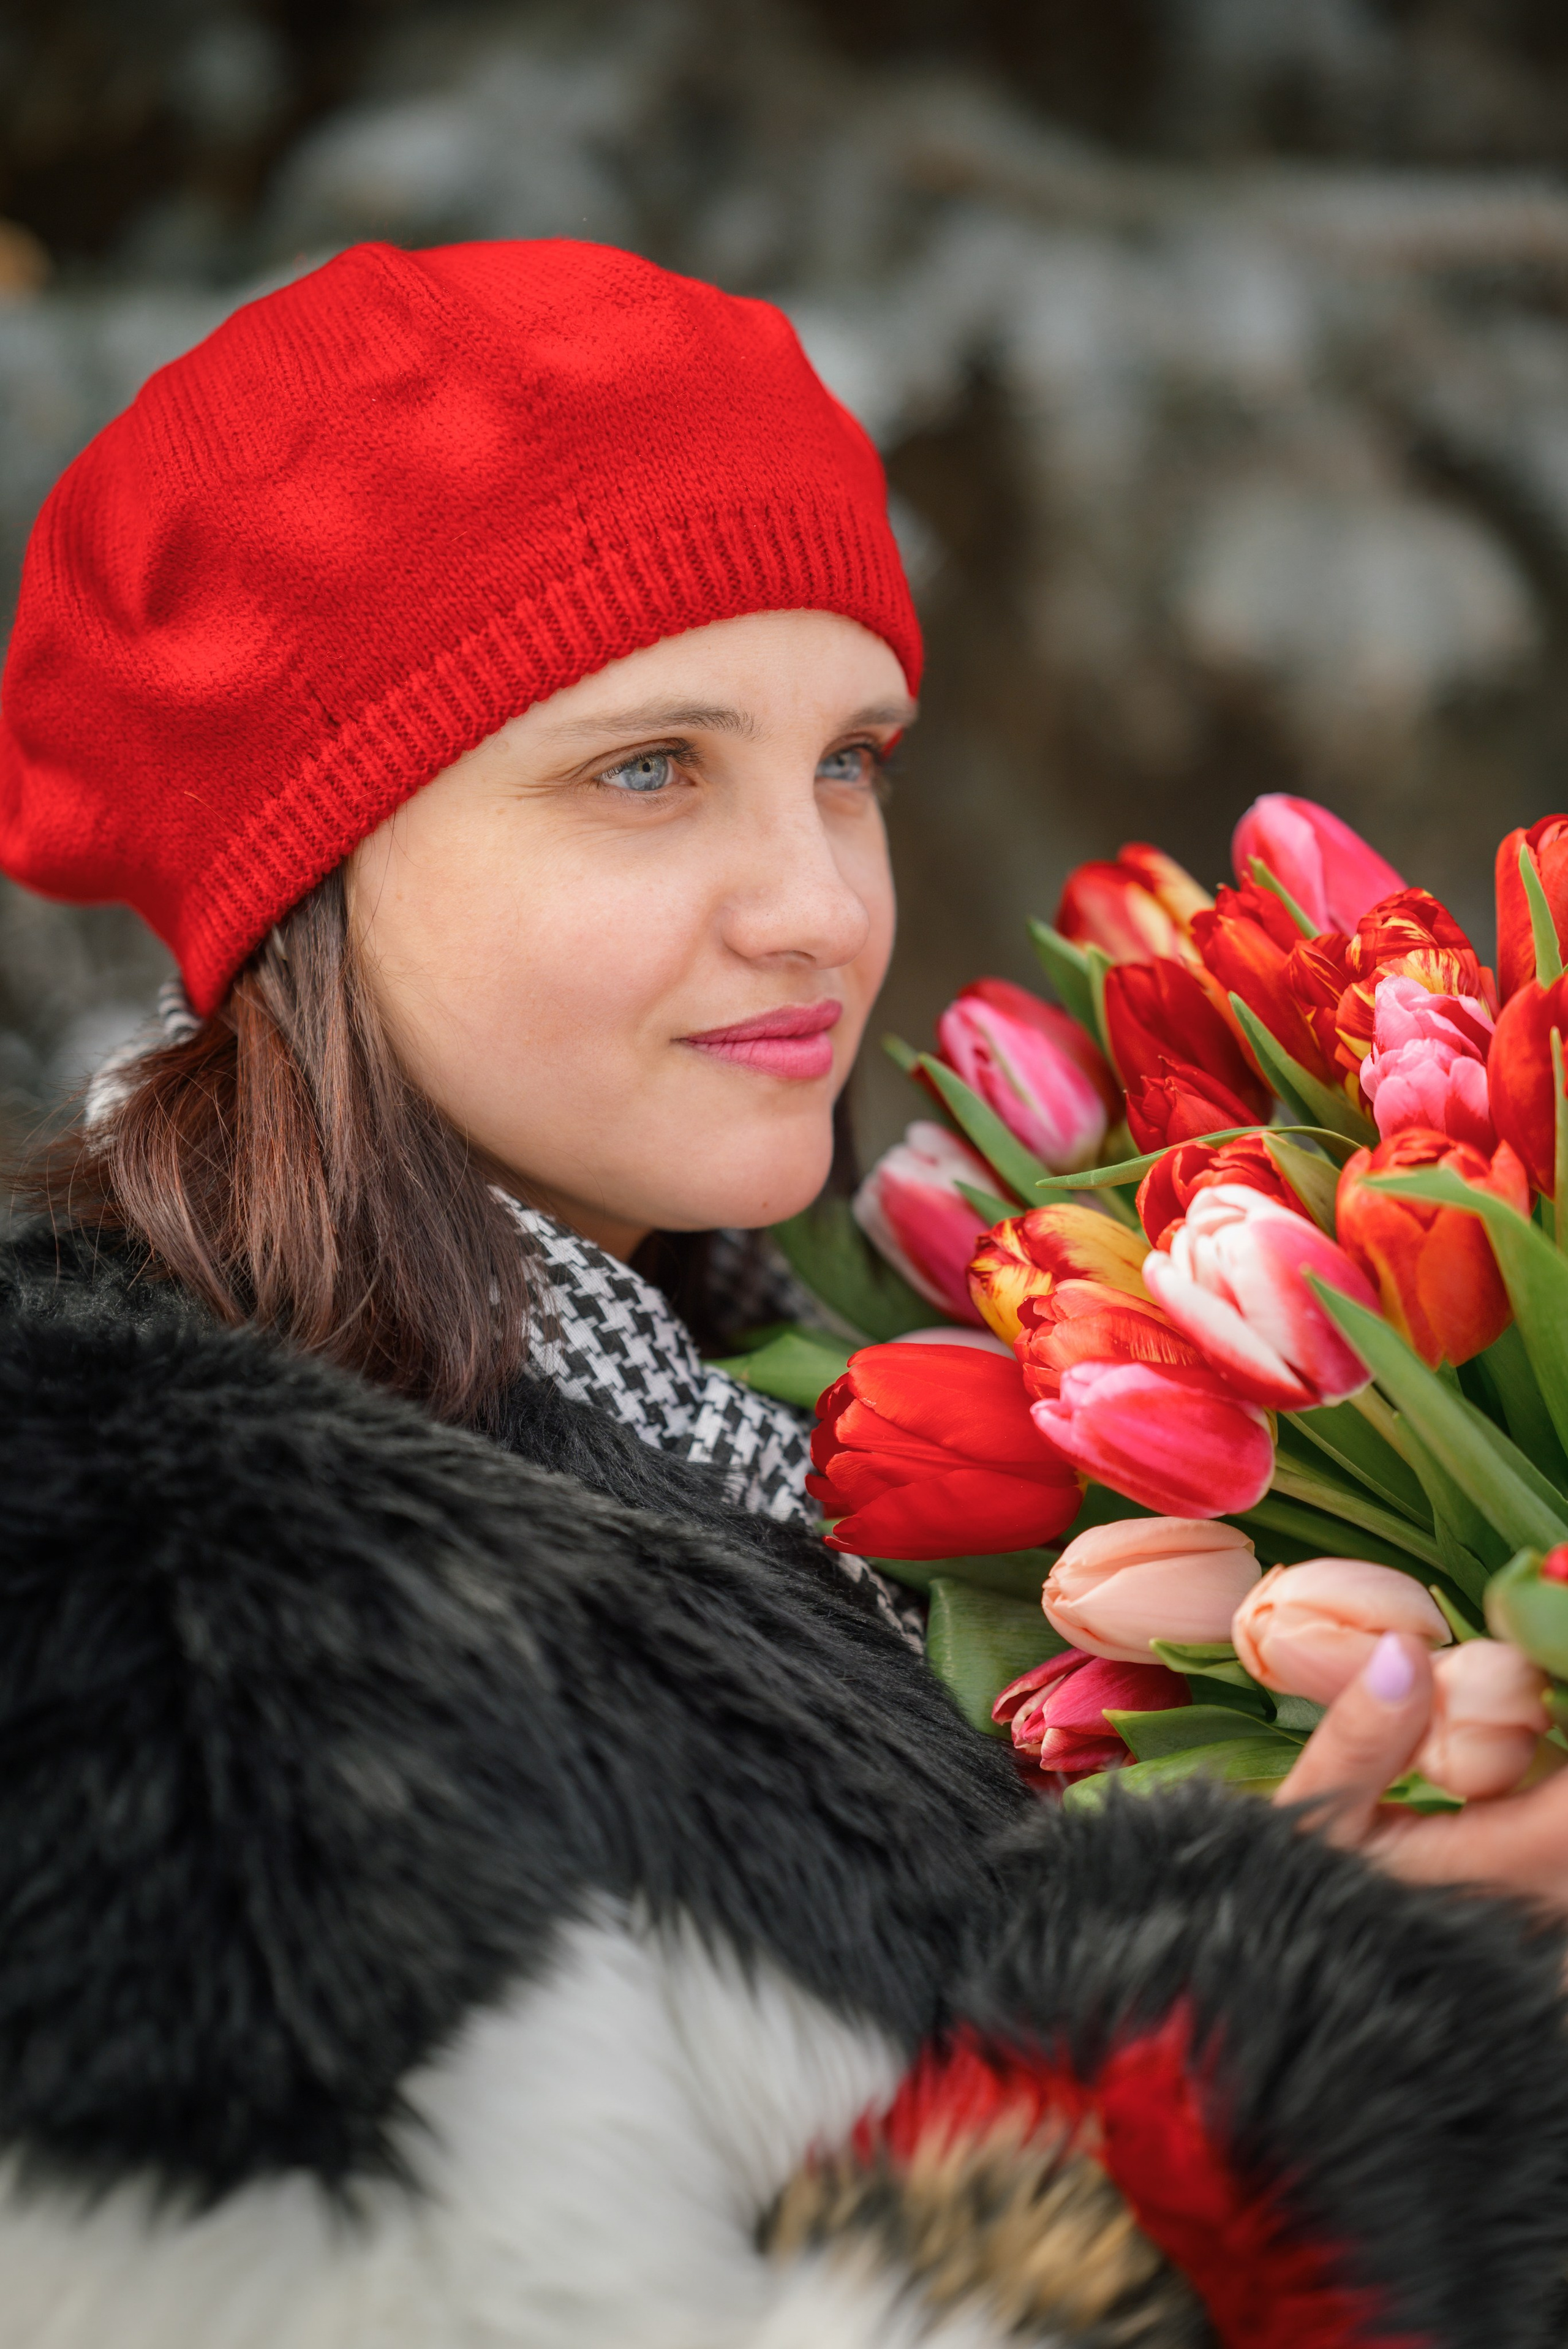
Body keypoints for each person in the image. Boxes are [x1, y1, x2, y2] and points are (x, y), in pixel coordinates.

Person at [1, 238, 1566, 2349]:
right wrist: (1294, 2060)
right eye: (647, 770)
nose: (823, 906)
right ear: (313, 867)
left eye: (851, 759)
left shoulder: (804, 1414)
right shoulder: (146, 1581)